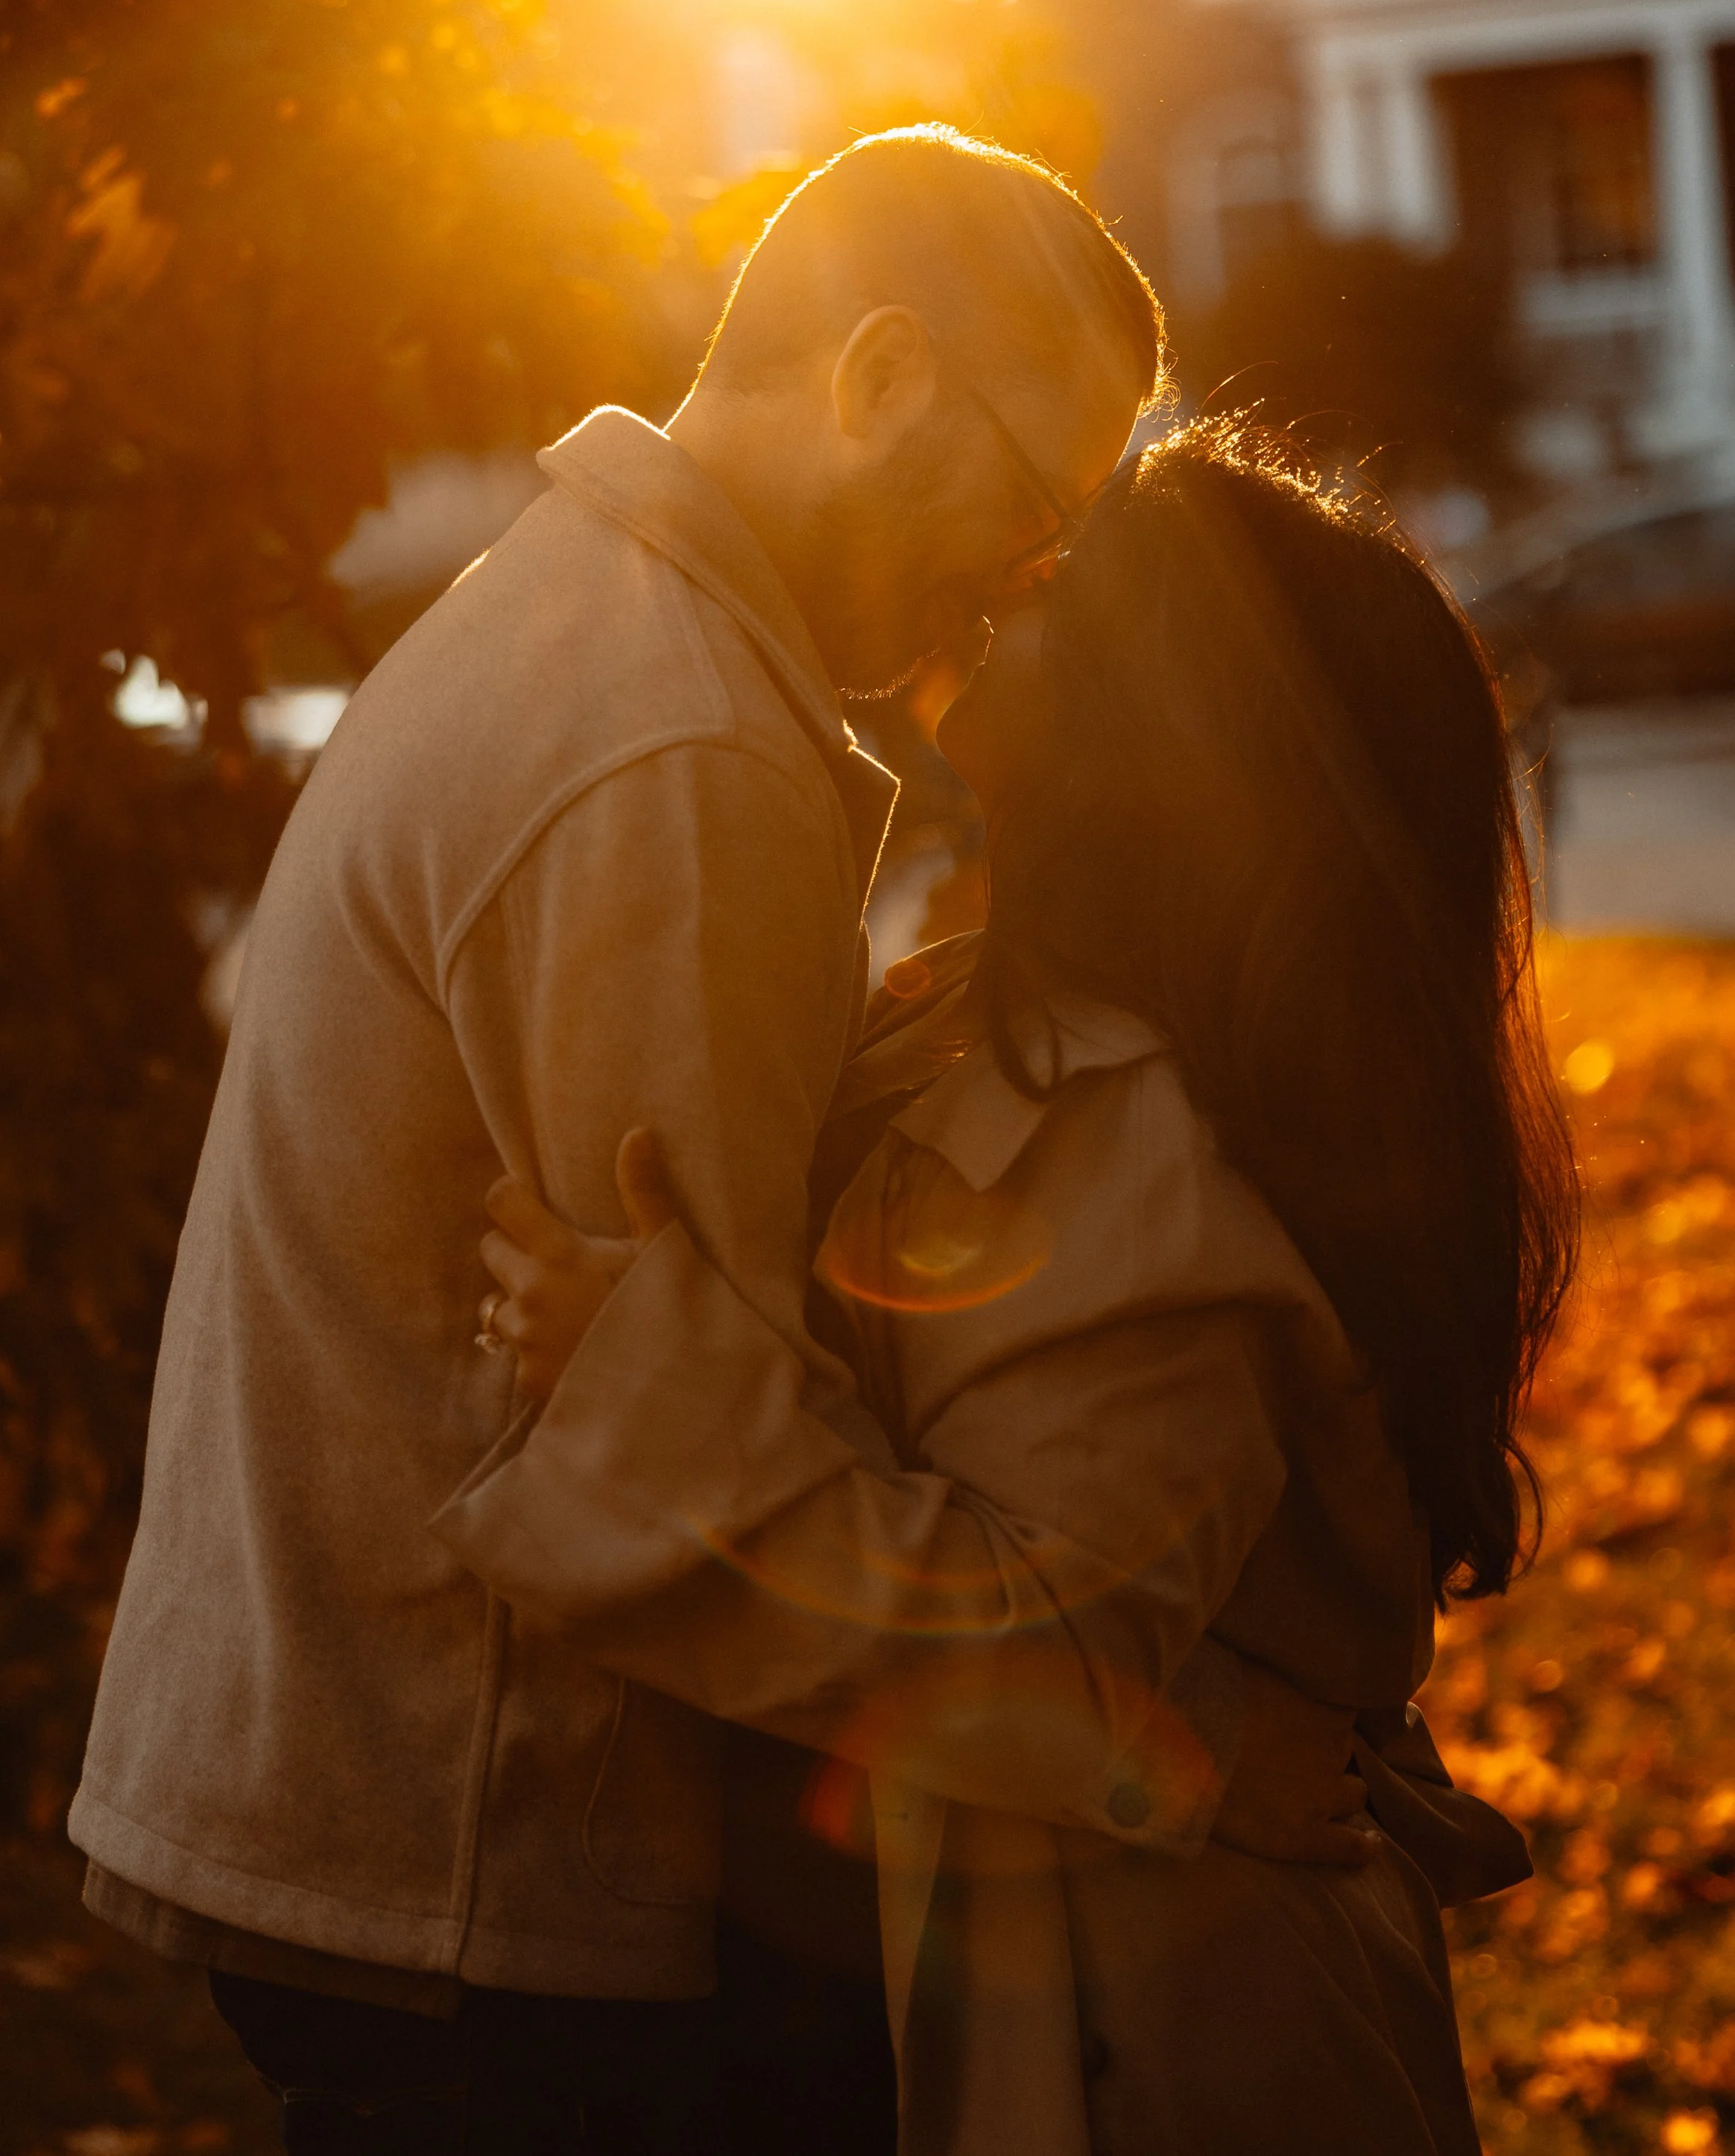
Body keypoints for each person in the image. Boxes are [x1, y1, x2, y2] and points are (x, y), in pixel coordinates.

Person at [68, 132, 1360, 2155]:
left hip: (367, 1789)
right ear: (876, 378)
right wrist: (1165, 1748)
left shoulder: (583, 614)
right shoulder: (676, 744)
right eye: (1036, 509)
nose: (1022, 585)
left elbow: (686, 1402)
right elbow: (694, 1486)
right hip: (484, 1854)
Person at [468, 417, 1580, 2155]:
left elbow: (1031, 1631)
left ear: (1171, 711)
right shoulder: (1028, 1024)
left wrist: (639, 1383)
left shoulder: (1134, 1123)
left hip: (1163, 2047)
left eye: (1060, 579)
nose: (998, 581)